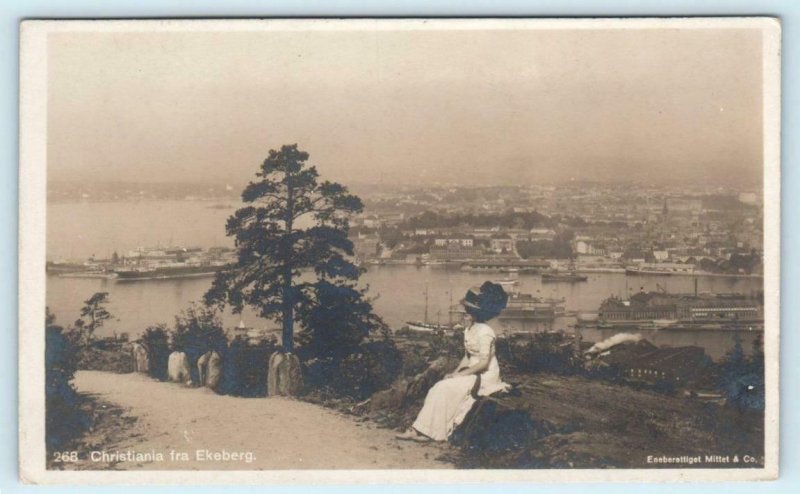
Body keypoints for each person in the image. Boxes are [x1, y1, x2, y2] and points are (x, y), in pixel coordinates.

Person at [396, 281, 510, 442]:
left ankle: (426, 432)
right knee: (439, 387)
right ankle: (423, 430)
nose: (463, 314)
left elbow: (484, 363)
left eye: (467, 312)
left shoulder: (485, 332)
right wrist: (455, 373)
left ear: (475, 314)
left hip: (484, 376)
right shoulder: (469, 330)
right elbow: (467, 357)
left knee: (442, 388)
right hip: (472, 372)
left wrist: (460, 376)